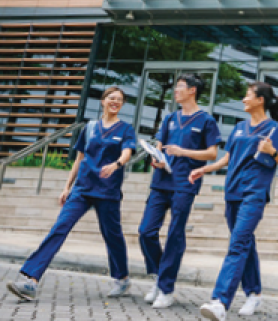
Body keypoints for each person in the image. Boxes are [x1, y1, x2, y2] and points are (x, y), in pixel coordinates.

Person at [6, 86, 136, 301]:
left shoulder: (125, 129)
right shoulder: (90, 128)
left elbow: (128, 151)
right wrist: (67, 186)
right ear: (103, 101)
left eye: (120, 100)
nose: (116, 102)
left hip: (107, 192)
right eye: (112, 98)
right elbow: (79, 158)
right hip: (82, 189)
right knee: (59, 228)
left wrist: (117, 163)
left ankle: (122, 278)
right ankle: (30, 280)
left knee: (112, 236)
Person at [189, 82, 278, 320]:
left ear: (260, 100)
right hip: (232, 191)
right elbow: (228, 158)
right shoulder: (238, 128)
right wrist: (205, 169)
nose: (244, 99)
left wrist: (271, 150)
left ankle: (220, 302)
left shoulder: (276, 129)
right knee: (244, 242)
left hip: (254, 193)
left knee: (237, 244)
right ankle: (254, 292)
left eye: (248, 95)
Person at [138, 73, 221, 308]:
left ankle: (166, 288)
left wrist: (183, 152)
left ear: (192, 90)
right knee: (145, 231)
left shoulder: (206, 120)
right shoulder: (170, 118)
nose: (176, 90)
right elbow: (160, 146)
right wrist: (158, 159)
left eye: (180, 87)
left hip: (185, 184)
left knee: (175, 233)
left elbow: (212, 154)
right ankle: (158, 275)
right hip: (160, 182)